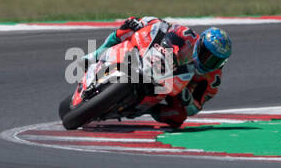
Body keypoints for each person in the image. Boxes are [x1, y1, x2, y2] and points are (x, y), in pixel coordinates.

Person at [90, 17, 232, 128]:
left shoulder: (213, 79)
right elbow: (162, 25)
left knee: (179, 117)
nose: (209, 61)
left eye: (215, 60)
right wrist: (141, 23)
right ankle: (97, 53)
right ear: (200, 44)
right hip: (159, 61)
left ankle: (146, 109)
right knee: (128, 27)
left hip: (173, 87)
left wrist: (186, 97)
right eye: (206, 55)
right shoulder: (187, 35)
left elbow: (195, 108)